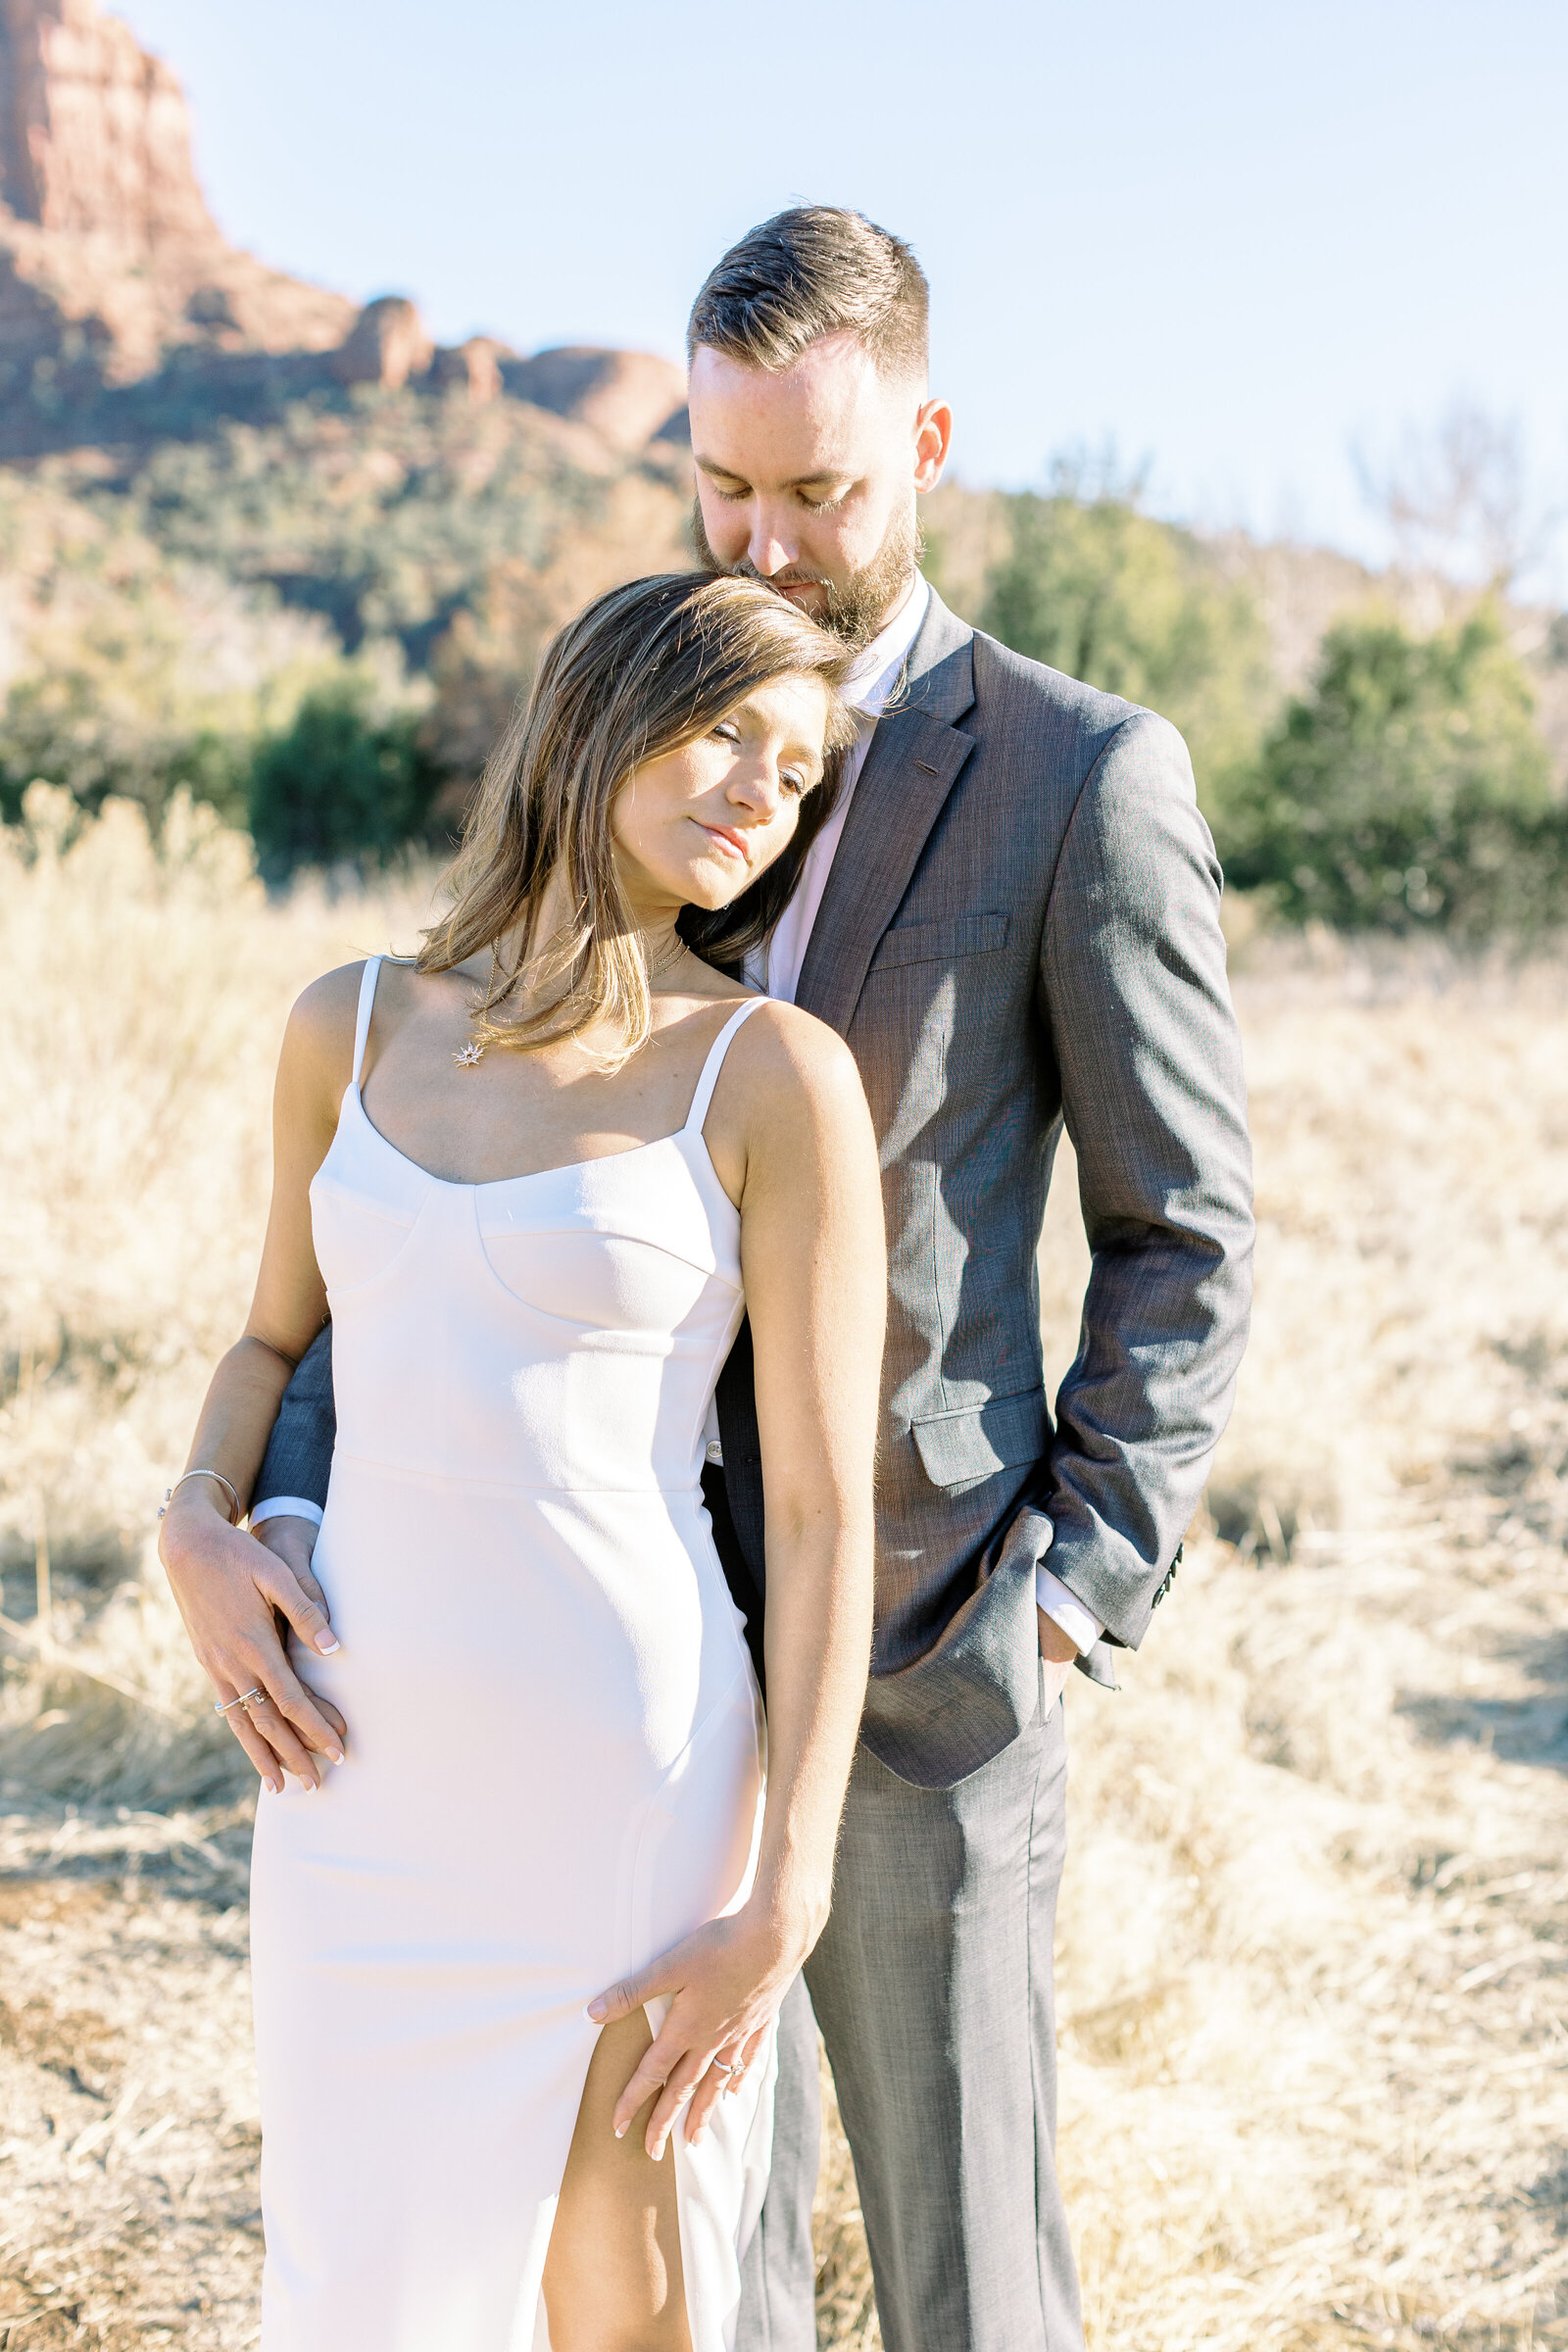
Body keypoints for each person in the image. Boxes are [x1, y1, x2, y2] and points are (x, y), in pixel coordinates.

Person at [247, 208, 1255, 2350]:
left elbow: (1184, 1234)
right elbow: (415, 1235)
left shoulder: (1080, 776)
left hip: (916, 1654)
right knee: (713, 2261)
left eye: (817, 487)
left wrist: (1059, 1605)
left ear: (928, 443)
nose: (762, 534)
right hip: (615, 1693)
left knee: (966, 2274)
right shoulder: (647, 761)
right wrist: (259, 1504)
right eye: (719, 482)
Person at [157, 570, 887, 2352]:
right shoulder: (349, 1021)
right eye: (730, 730)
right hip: (355, 1783)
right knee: (357, 2291)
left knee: (619, 2309)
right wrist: (192, 1516)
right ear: (607, 708)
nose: (757, 792)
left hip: (626, 1790)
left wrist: (786, 1896)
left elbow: (820, 1508)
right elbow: (275, 1340)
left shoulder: (771, 1074)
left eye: (796, 774)